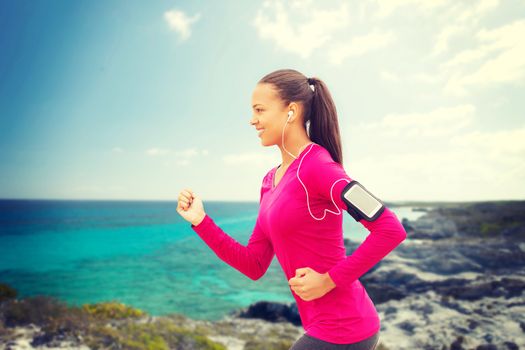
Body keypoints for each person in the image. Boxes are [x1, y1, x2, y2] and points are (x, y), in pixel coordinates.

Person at [176, 68, 407, 349]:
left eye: (260, 110)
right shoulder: (269, 182)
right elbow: (254, 264)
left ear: (291, 111)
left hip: (346, 328)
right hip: (322, 327)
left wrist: (329, 280)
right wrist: (201, 221)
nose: (253, 120)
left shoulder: (320, 168)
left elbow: (390, 229)